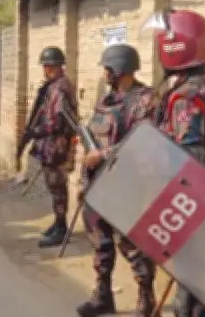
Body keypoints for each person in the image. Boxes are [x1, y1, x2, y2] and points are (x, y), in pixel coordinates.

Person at [143, 10, 205, 317]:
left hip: (194, 203)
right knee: (204, 283)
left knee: (191, 293)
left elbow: (189, 157)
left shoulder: (187, 96)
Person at [76, 44, 158, 317]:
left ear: (119, 69)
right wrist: (83, 179)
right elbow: (93, 139)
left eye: (107, 69)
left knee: (133, 245)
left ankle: (146, 299)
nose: (104, 74)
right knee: (100, 243)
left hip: (127, 184)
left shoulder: (146, 100)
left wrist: (102, 155)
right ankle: (103, 295)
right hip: (99, 183)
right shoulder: (107, 99)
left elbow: (143, 140)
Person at [25, 46, 78, 248]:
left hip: (57, 146)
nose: (44, 70)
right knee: (54, 187)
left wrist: (35, 132)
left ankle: (61, 228)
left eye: (45, 66)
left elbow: (56, 122)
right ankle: (58, 223)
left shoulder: (59, 88)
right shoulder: (57, 85)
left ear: (50, 67)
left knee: (57, 187)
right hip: (52, 146)